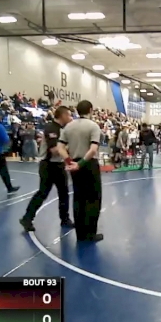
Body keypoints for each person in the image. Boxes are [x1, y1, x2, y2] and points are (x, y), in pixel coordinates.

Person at [20, 106, 73, 232]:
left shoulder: (61, 129)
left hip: (58, 165)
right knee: (43, 192)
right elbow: (54, 151)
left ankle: (65, 219)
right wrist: (70, 148)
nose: (71, 118)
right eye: (69, 115)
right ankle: (27, 218)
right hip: (48, 165)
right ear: (63, 115)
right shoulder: (51, 128)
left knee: (64, 193)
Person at [63, 100, 104, 242]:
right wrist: (80, 164)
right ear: (91, 110)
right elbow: (93, 149)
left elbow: (60, 147)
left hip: (74, 164)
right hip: (88, 164)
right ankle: (90, 233)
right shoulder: (93, 126)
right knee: (93, 199)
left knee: (78, 198)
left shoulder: (68, 126)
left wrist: (70, 162)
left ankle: (80, 234)